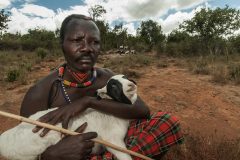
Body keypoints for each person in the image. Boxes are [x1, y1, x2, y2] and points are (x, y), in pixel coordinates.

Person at [20, 14, 184, 160]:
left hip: (112, 142)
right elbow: (21, 145)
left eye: (95, 42)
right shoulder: (41, 93)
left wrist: (89, 102)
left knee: (167, 123)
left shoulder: (107, 77)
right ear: (62, 43)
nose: (87, 48)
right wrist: (50, 155)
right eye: (77, 40)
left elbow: (142, 110)